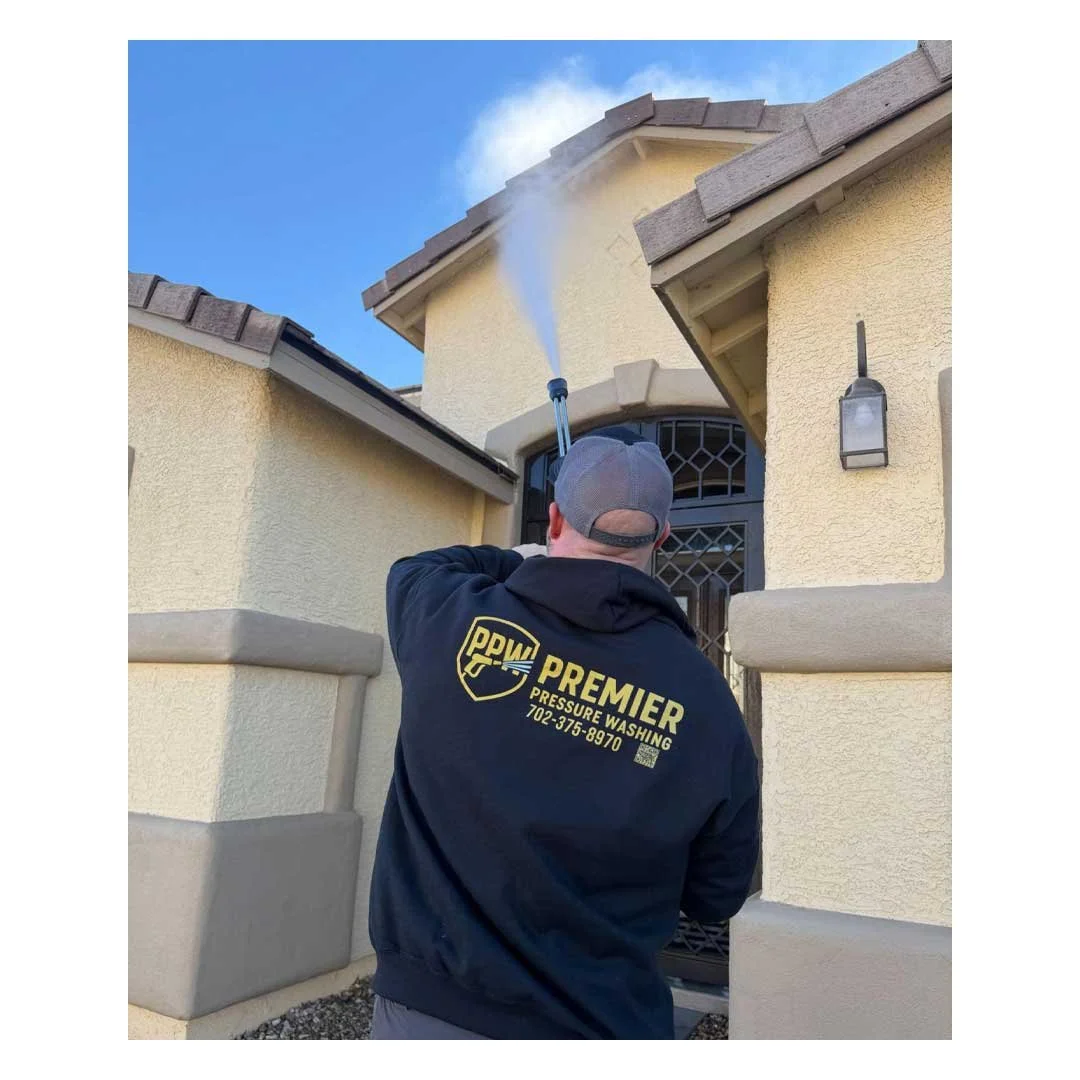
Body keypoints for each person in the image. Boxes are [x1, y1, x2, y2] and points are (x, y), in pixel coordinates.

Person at [367, 426, 760, 1040]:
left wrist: (520, 561)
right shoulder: (708, 701)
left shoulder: (448, 614)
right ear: (662, 535)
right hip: (603, 1023)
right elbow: (715, 896)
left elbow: (418, 566)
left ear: (552, 520)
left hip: (426, 1017)